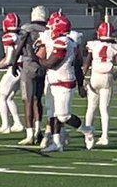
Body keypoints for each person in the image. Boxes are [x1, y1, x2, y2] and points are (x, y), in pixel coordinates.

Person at [37, 12, 86, 155]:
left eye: (52, 27)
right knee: (52, 113)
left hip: (63, 81)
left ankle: (87, 130)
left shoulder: (63, 41)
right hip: (53, 80)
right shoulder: (56, 39)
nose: (50, 29)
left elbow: (51, 63)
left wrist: (36, 59)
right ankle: (56, 142)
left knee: (63, 115)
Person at [7, 5, 49, 145]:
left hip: (29, 64)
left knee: (28, 100)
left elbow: (20, 46)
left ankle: (30, 133)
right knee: (38, 100)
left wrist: (14, 63)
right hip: (43, 66)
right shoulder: (48, 30)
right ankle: (38, 129)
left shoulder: (27, 29)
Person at [82, 20, 117, 148]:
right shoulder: (115, 47)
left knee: (91, 108)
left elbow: (87, 63)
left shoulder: (93, 45)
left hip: (95, 76)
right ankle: (104, 136)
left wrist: (82, 77)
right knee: (104, 109)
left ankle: (88, 134)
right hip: (107, 77)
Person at [0, 12, 25, 135]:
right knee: (9, 97)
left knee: (1, 96)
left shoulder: (9, 37)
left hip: (15, 68)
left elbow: (9, 59)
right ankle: (17, 123)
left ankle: (5, 125)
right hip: (23, 68)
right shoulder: (21, 35)